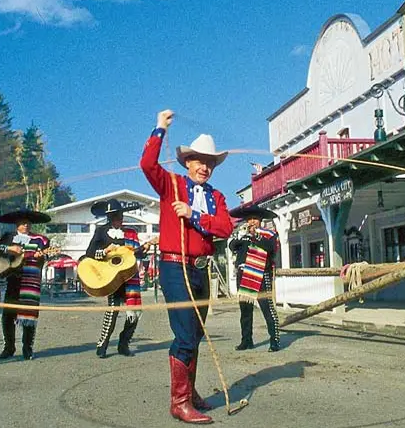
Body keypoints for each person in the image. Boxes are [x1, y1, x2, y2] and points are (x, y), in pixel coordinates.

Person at [141, 109, 233, 425]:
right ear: (188, 161)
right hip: (174, 267)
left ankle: (190, 394)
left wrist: (194, 215)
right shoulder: (171, 184)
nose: (204, 166)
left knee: (193, 334)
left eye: (210, 162)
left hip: (201, 269)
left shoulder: (217, 196)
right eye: (199, 160)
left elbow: (225, 228)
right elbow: (147, 165)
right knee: (183, 334)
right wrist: (159, 129)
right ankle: (179, 402)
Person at [83, 198, 155, 358]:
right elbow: (89, 253)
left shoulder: (131, 232)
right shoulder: (101, 231)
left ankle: (124, 344)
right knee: (113, 311)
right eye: (115, 216)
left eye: (120, 216)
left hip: (130, 278)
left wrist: (145, 248)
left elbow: (136, 254)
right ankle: (103, 345)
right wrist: (105, 251)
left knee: (134, 313)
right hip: (111, 277)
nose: (119, 220)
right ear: (110, 217)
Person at [0, 208, 53, 360]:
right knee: (8, 315)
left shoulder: (41, 240)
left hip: (31, 282)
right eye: (22, 222)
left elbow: (47, 256)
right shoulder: (8, 237)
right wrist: (9, 248)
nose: (25, 225)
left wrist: (41, 256)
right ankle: (9, 347)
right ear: (16, 224)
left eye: (28, 222)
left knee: (29, 316)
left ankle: (27, 348)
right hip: (13, 279)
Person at [228, 206, 281, 352]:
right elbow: (233, 246)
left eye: (255, 219)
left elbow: (270, 248)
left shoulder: (269, 235)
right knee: (245, 310)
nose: (252, 222)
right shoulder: (242, 235)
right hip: (243, 275)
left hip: (261, 275)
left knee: (267, 308)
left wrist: (256, 236)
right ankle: (246, 340)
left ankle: (274, 340)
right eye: (250, 219)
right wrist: (242, 236)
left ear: (260, 221)